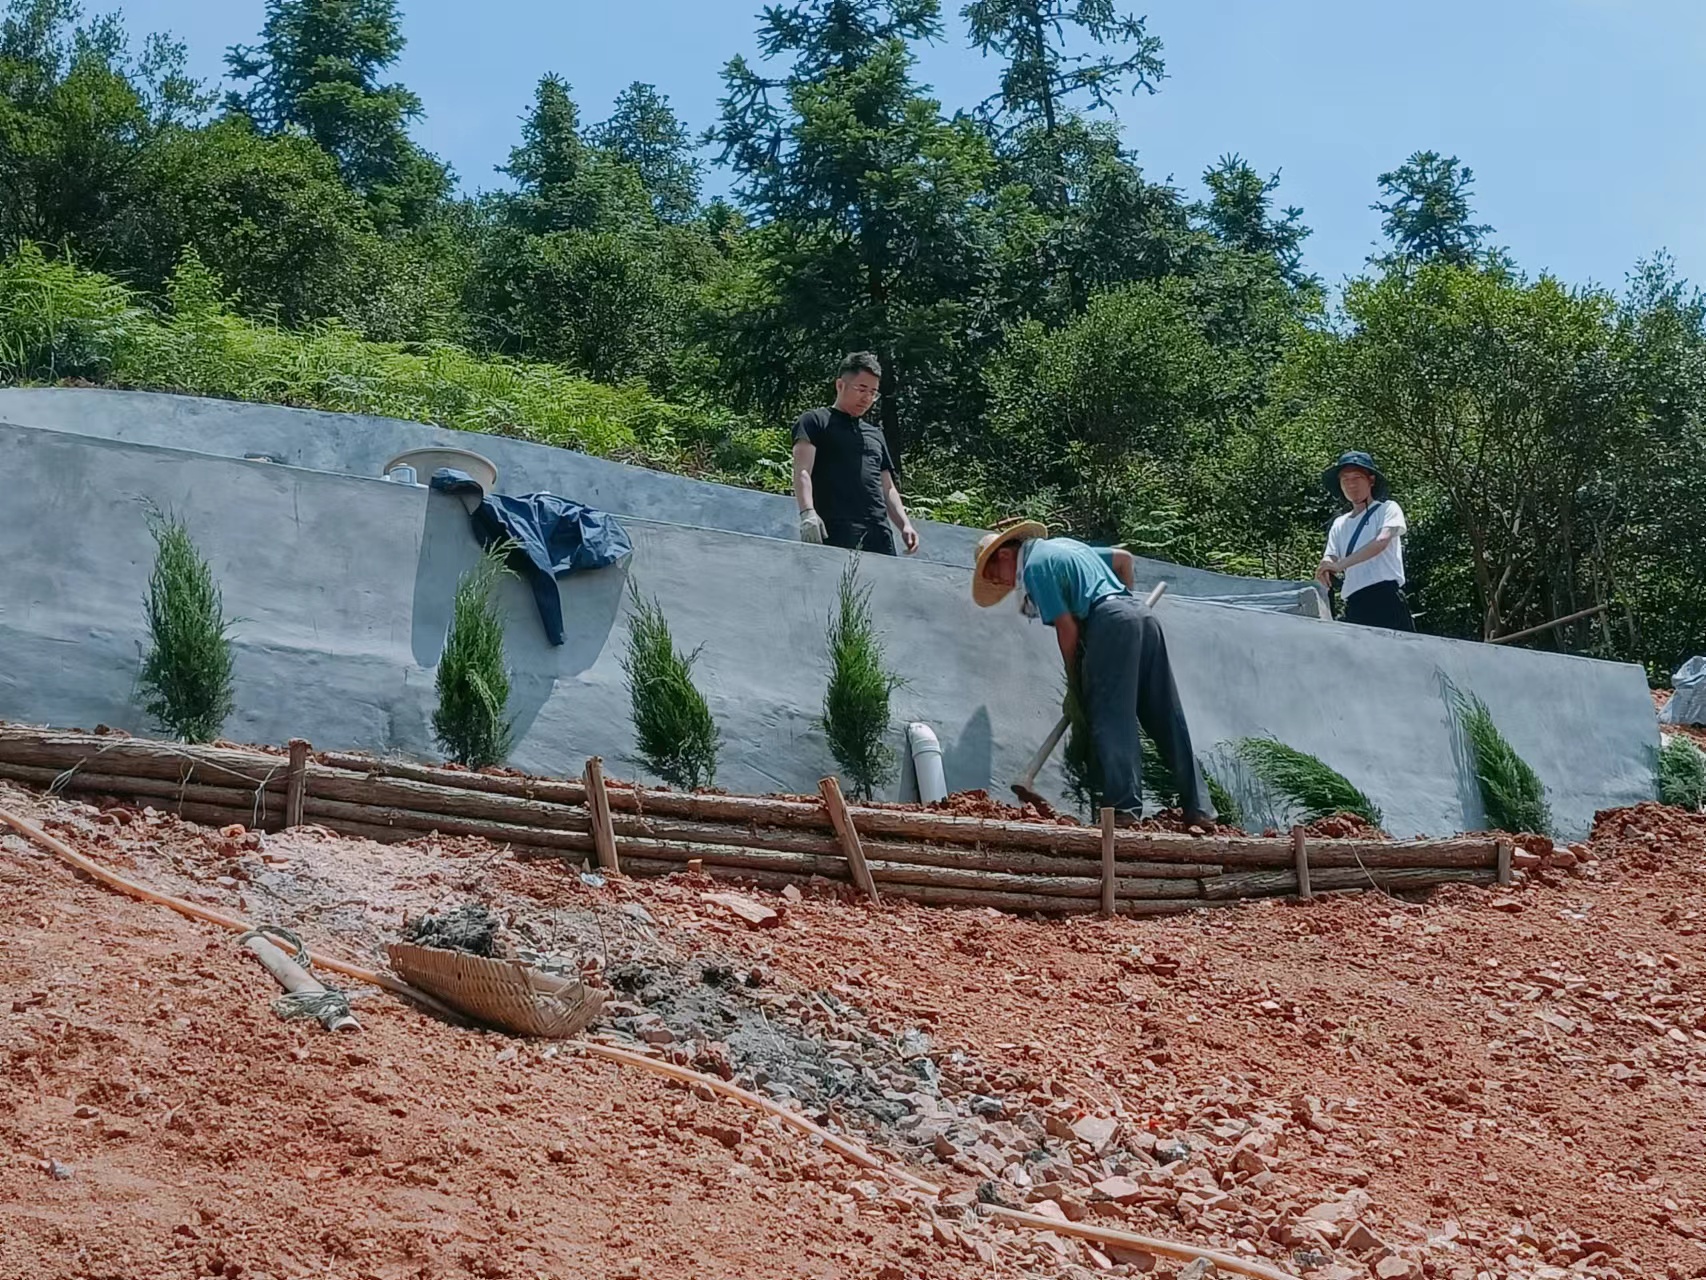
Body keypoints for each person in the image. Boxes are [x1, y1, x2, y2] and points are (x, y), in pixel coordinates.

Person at [973, 522, 1215, 827]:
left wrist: (1075, 684)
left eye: (997, 576)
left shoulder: (1034, 568)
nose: (1004, 584)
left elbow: (1067, 630)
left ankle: (1124, 810)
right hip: (1141, 617)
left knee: (1111, 717)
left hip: (1109, 623)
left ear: (1006, 555)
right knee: (1166, 716)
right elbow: (1124, 559)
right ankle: (1200, 808)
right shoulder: (1067, 547)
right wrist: (1126, 604)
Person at [792, 352, 919, 555]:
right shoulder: (814, 421)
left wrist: (904, 524)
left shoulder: (875, 434)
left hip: (879, 532)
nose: (867, 398)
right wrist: (808, 513)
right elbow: (802, 471)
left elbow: (887, 487)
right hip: (836, 528)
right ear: (840, 385)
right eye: (861, 389)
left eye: (873, 392)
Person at [1316, 451, 1414, 632]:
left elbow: (1381, 541)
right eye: (1345, 479)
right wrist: (1325, 566)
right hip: (1354, 602)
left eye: (1357, 478)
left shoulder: (1387, 509)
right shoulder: (1340, 523)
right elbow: (1331, 555)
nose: (1351, 484)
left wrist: (1340, 565)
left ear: (1371, 480)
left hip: (1385, 598)